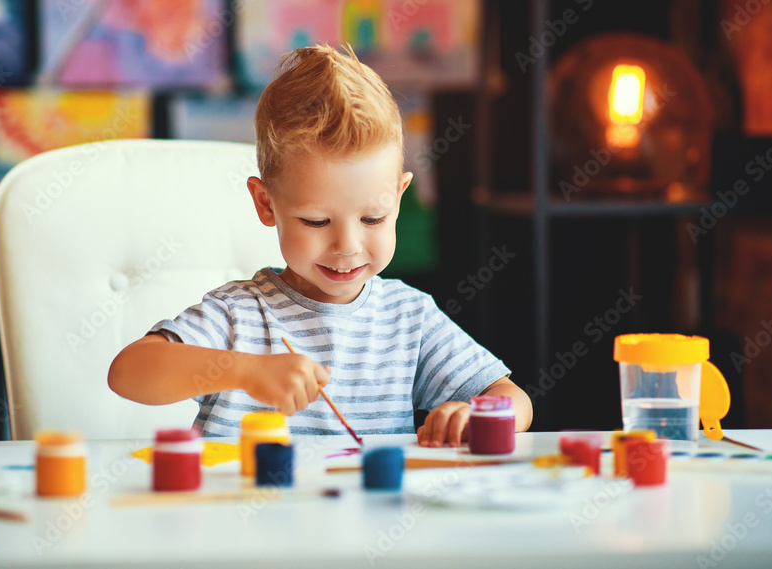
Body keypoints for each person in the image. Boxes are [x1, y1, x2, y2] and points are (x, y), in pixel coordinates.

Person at [108, 44, 532, 447]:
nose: (346, 245)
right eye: (316, 221)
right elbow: (129, 372)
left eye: (372, 218)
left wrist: (481, 416)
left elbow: (514, 399)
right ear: (265, 204)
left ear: (400, 199)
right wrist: (246, 371)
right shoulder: (238, 315)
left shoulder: (409, 318)